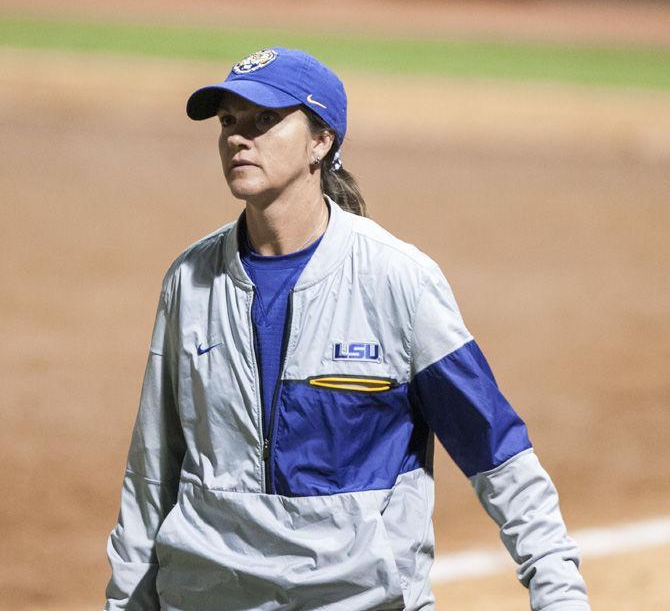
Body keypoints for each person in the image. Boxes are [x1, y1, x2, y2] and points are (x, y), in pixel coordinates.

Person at [104, 47, 590, 610]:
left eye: (265, 120)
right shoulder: (189, 280)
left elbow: (494, 447)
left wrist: (558, 591)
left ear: (322, 141)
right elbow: (151, 470)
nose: (239, 138)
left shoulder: (396, 280)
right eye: (228, 121)